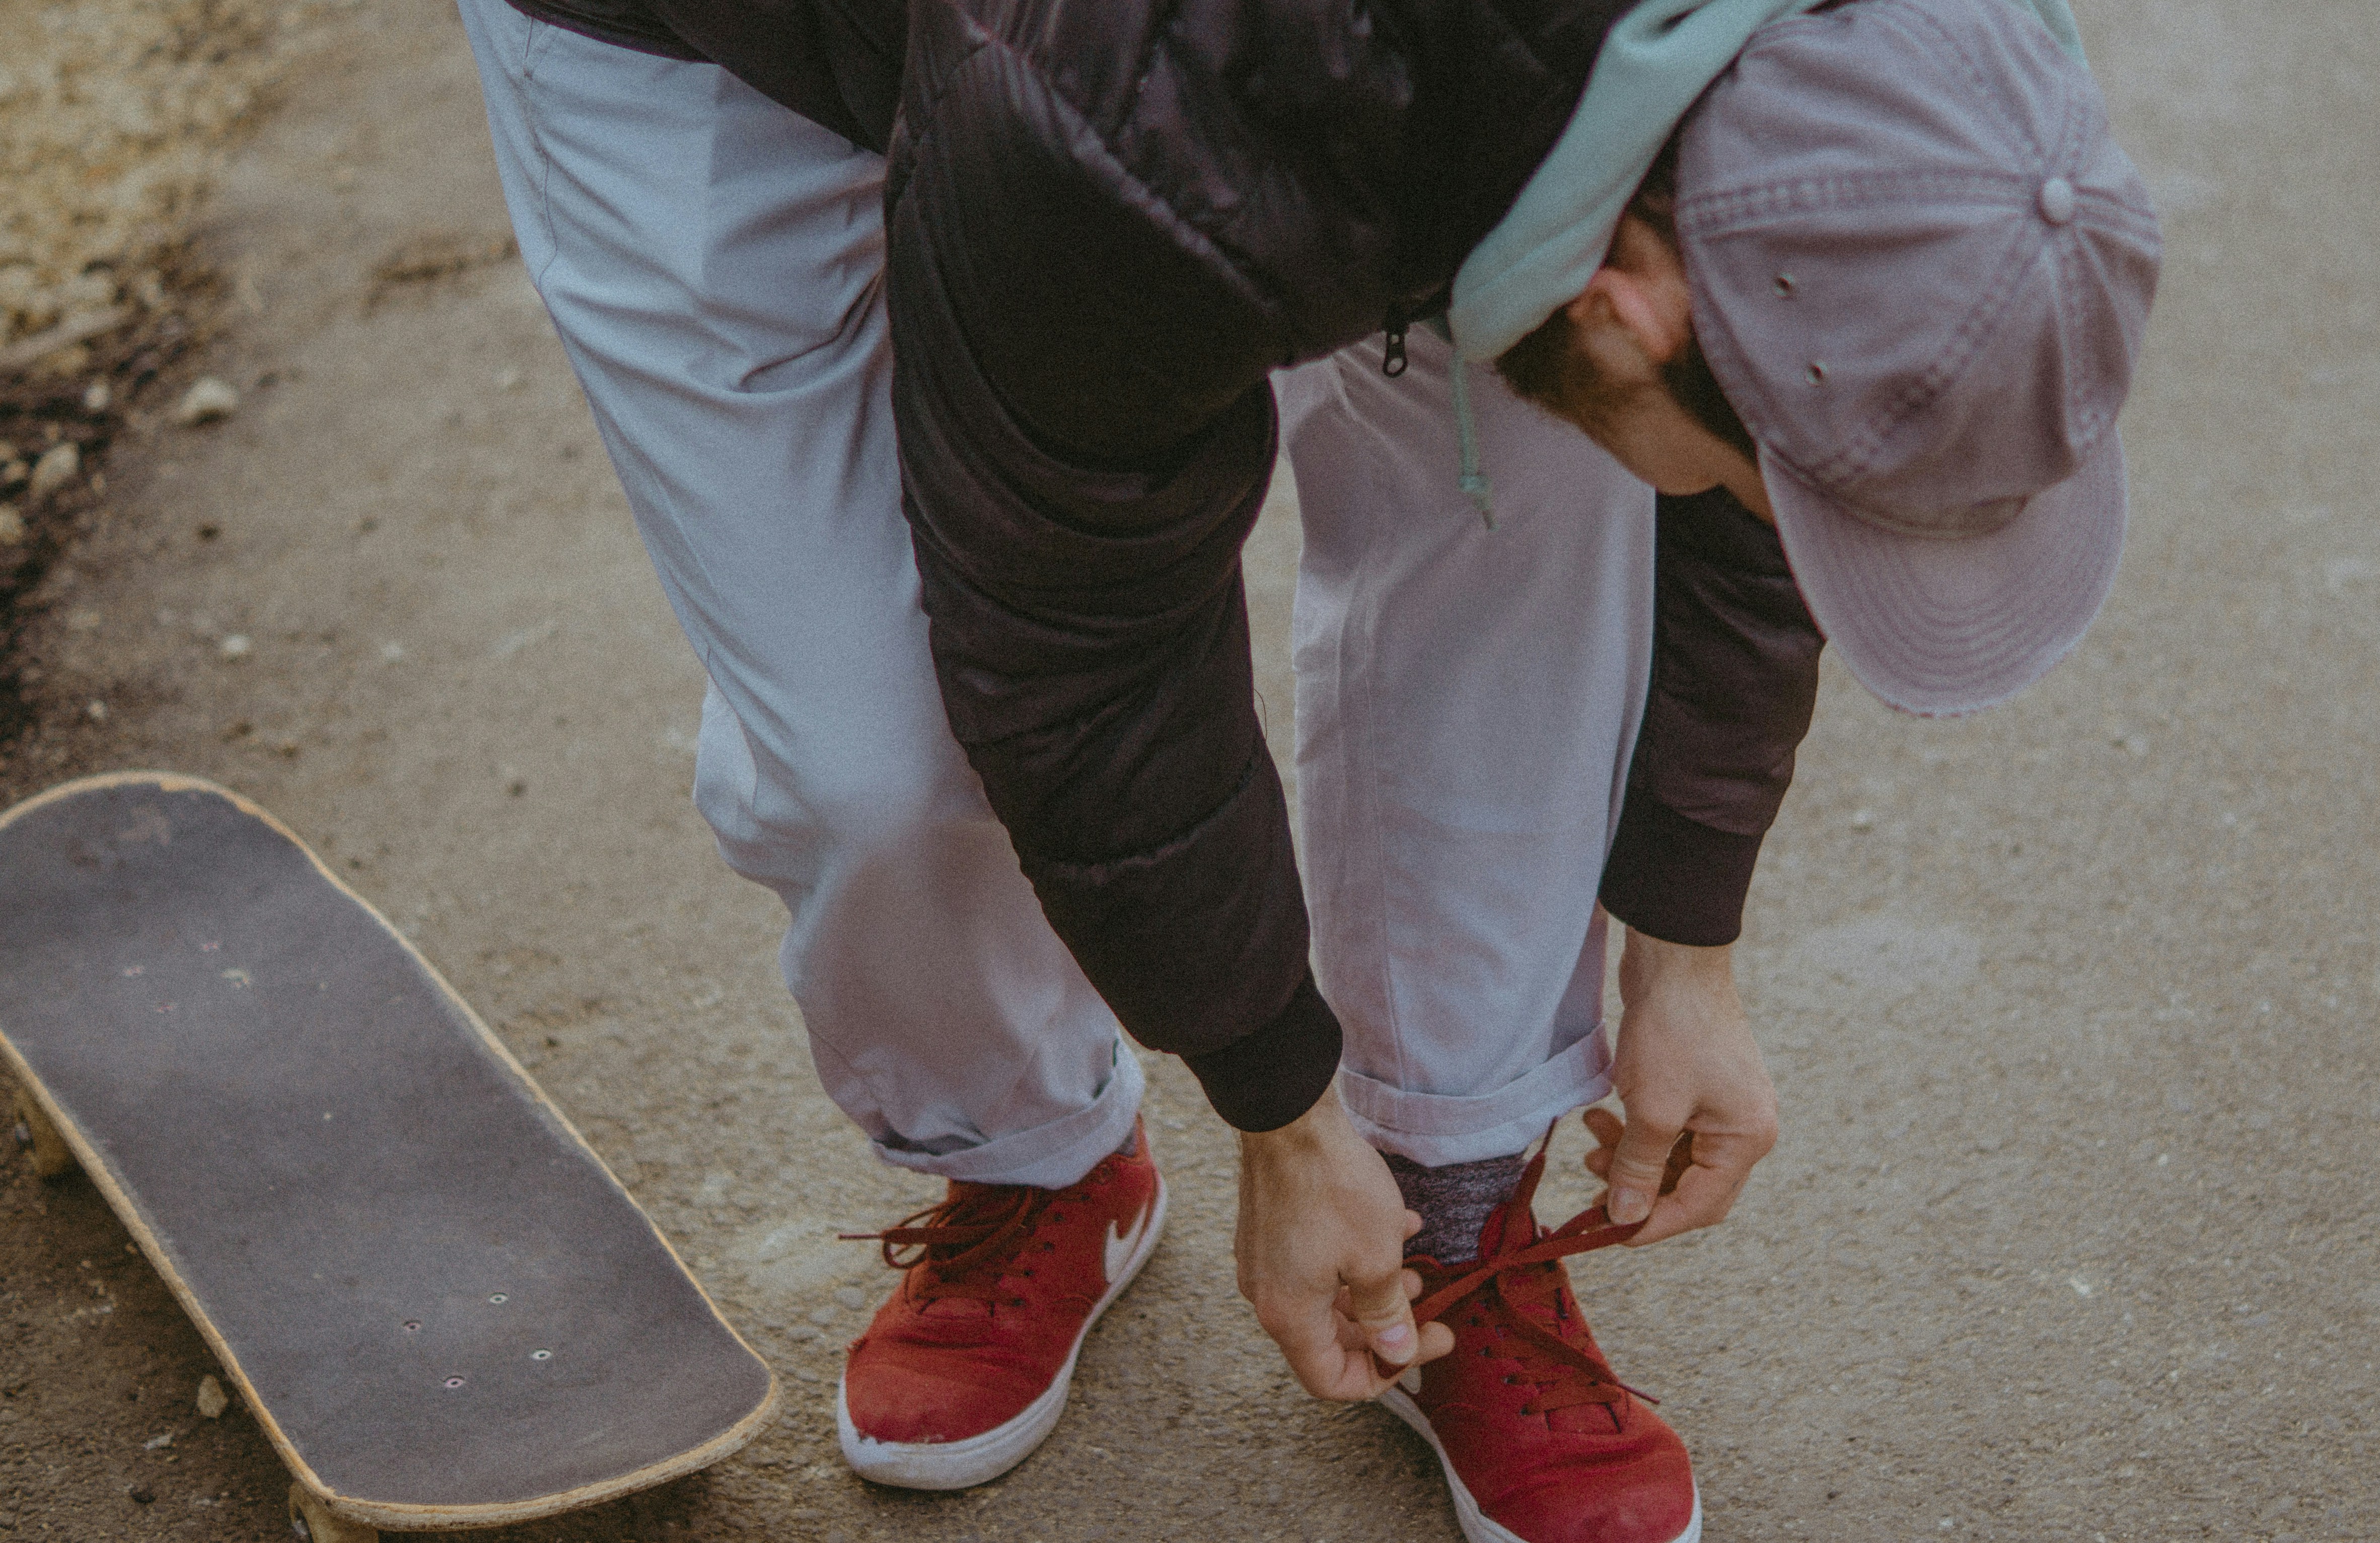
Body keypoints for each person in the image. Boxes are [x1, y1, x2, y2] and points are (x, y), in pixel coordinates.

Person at [455, 0, 2158, 1535]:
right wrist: (1273, 1105)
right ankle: (1030, 1149)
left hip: (1330, 82)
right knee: (875, 758)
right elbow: (1083, 639)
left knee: (1535, 498)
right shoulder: (1117, 120)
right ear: (1630, 304)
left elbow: (1810, 407)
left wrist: (1688, 941)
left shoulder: (1881, 75)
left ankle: (1453, 1195)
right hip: (740, 43)